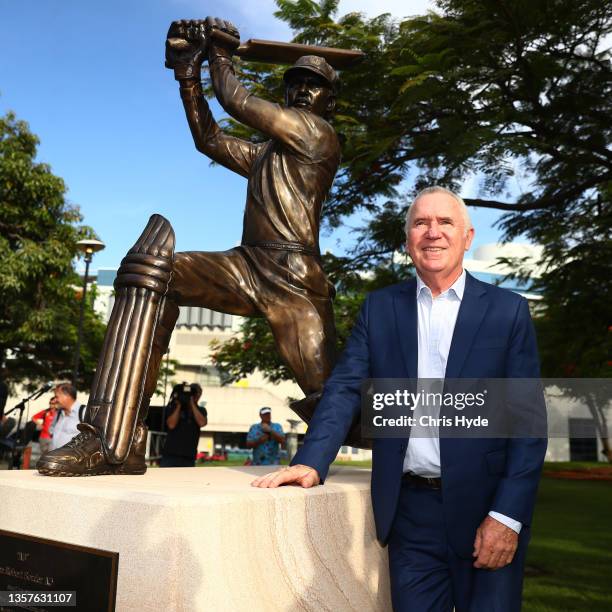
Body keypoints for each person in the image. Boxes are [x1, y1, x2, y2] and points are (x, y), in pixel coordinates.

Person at [37, 16, 343, 476]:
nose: (302, 91)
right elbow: (210, 138)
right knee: (153, 271)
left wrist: (218, 54)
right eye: (295, 83)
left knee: (336, 403)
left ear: (328, 101)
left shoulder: (318, 135)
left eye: (314, 86)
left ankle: (424, 448)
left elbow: (235, 101)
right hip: (248, 263)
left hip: (294, 276)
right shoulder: (266, 155)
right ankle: (113, 438)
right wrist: (187, 74)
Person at [252, 186, 547, 612]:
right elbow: (346, 387)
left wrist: (506, 516)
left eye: (445, 222)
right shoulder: (380, 308)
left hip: (487, 510)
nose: (433, 232)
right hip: (410, 515)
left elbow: (528, 424)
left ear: (467, 236)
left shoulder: (508, 311)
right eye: (420, 223)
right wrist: (311, 461)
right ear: (408, 238)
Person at [160, 383, 207, 468]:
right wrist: (179, 405)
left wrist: (192, 404)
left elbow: (202, 423)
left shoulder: (201, 410)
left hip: (188, 457)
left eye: (199, 393)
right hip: (170, 455)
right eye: (195, 393)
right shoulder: (174, 407)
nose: (197, 395)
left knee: (187, 481)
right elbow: (171, 425)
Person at [49, 383, 83, 451]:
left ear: (67, 396)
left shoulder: (84, 412)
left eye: (57, 397)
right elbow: (52, 430)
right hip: (54, 458)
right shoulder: (59, 413)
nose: (55, 400)